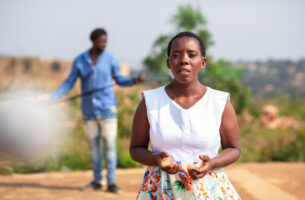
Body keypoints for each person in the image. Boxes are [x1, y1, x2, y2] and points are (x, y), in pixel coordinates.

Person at [130, 32, 241, 199]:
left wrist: (212, 163)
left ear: (202, 62)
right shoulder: (150, 102)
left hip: (208, 190)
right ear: (168, 63)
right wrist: (156, 159)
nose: (183, 59)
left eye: (192, 54)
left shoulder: (219, 102)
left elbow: (233, 149)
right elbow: (135, 149)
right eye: (176, 55)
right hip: (162, 191)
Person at [50, 28, 146, 193]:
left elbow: (119, 80)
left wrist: (134, 80)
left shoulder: (110, 59)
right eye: (101, 41)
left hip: (107, 109)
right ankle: (97, 180)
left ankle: (111, 182)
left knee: (109, 146)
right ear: (93, 41)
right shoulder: (80, 60)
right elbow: (69, 82)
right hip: (89, 111)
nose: (103, 45)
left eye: (105, 42)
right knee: (94, 149)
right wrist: (53, 97)